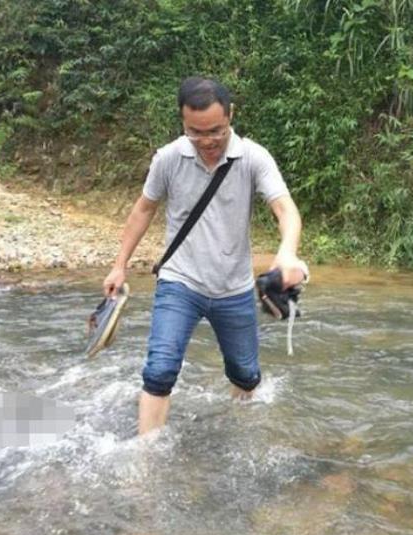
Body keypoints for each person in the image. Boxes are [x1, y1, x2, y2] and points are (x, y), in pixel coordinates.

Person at [102, 76, 306, 435]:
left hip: (234, 288)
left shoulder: (252, 157)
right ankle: (146, 461)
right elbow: (144, 209)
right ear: (183, 123)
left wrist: (287, 254)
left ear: (231, 116)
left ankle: (239, 437)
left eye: (216, 131)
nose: (207, 142)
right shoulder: (168, 158)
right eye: (195, 133)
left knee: (246, 376)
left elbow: (285, 210)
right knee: (160, 371)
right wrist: (119, 267)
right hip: (181, 281)